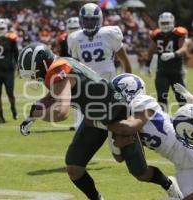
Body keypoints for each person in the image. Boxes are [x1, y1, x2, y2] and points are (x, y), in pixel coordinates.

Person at [18, 42, 179, 200]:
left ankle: (168, 183)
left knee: (140, 172)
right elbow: (54, 95)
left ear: (43, 64)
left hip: (117, 115)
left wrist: (39, 114)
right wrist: (35, 111)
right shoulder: (60, 65)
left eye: (35, 73)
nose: (36, 78)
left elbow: (61, 113)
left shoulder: (59, 71)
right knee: (74, 167)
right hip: (94, 118)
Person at [92, 73, 193, 199]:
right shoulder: (120, 119)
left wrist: (104, 124)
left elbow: (133, 126)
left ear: (128, 90)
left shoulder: (142, 101)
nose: (112, 98)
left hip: (188, 144)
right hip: (179, 161)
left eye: (115, 93)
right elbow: (119, 158)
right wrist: (118, 141)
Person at [67, 3, 132, 82]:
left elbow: (124, 60)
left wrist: (129, 80)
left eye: (93, 19)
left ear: (99, 19)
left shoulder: (108, 34)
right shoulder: (74, 38)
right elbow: (75, 66)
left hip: (108, 81)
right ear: (81, 20)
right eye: (86, 19)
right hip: (87, 82)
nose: (89, 23)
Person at [144, 12, 188, 110]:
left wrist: (173, 54)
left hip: (176, 71)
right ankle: (163, 119)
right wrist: (147, 65)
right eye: (163, 23)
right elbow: (150, 50)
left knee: (181, 97)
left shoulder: (178, 34)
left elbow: (184, 48)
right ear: (159, 23)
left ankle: (186, 118)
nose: (165, 25)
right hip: (162, 71)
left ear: (172, 22)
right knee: (161, 97)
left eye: (167, 23)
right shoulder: (156, 34)